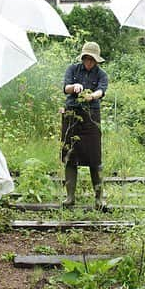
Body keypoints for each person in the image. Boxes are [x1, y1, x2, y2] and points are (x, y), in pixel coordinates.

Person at [60, 41, 109, 209]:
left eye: (92, 60)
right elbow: (65, 87)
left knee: (94, 157)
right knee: (70, 155)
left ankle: (99, 198)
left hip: (91, 116)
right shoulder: (72, 69)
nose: (88, 62)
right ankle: (70, 197)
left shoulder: (101, 74)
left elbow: (101, 90)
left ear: (96, 61)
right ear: (82, 58)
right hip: (72, 114)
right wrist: (74, 87)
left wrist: (92, 96)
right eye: (86, 59)